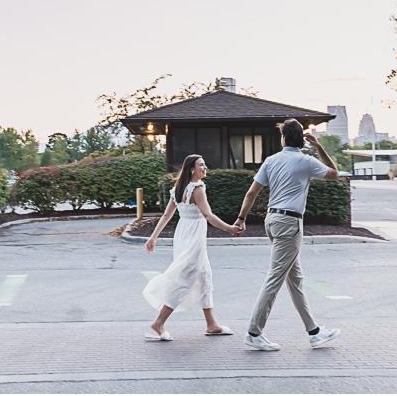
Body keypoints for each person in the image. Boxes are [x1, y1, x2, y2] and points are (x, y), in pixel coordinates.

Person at [233, 118, 342, 351]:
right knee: (275, 278)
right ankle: (254, 332)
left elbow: (252, 193)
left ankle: (314, 332)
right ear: (302, 140)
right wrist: (319, 146)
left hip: (272, 221)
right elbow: (335, 173)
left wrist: (241, 218)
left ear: (283, 138)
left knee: (295, 280)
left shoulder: (271, 161)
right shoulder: (306, 161)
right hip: (290, 223)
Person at [143, 154, 241, 341]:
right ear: (191, 169)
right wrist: (229, 228)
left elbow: (166, 216)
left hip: (183, 235)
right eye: (201, 165)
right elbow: (208, 215)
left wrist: (153, 237)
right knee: (185, 279)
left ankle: (211, 324)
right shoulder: (197, 188)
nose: (205, 168)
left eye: (205, 164)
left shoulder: (177, 189)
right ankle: (159, 322)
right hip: (193, 237)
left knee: (204, 276)